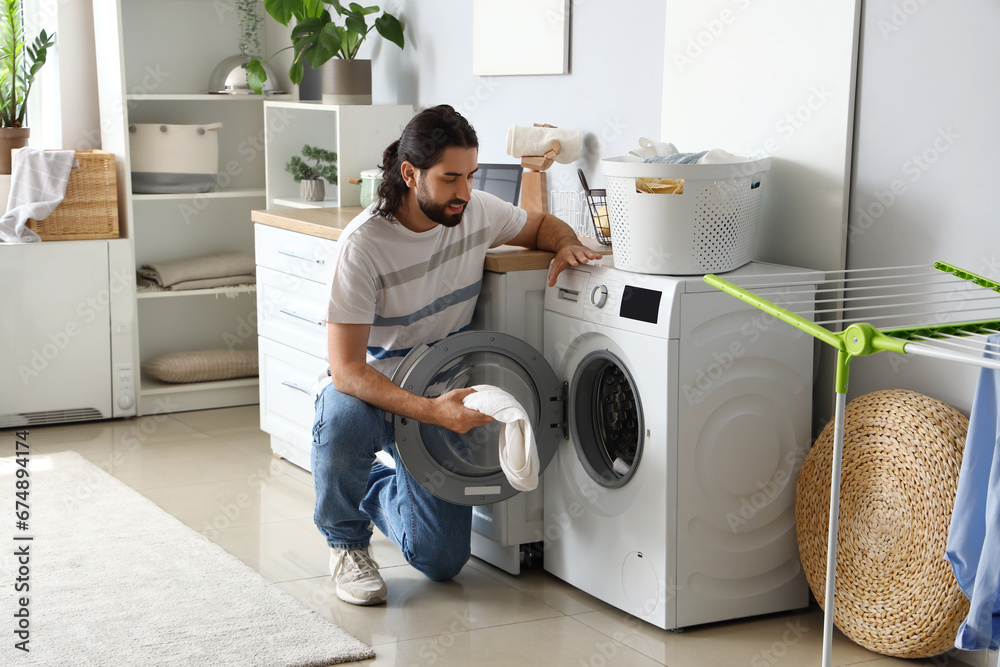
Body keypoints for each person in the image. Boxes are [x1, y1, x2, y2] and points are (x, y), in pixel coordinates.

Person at [312, 104, 601, 606]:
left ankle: (376, 487)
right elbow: (348, 371)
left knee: (441, 563)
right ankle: (346, 541)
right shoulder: (362, 246)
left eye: (470, 175)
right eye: (450, 178)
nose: (465, 191)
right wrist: (432, 412)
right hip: (372, 391)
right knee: (342, 422)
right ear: (410, 174)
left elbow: (540, 226)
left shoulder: (474, 211)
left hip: (437, 386)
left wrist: (567, 245)